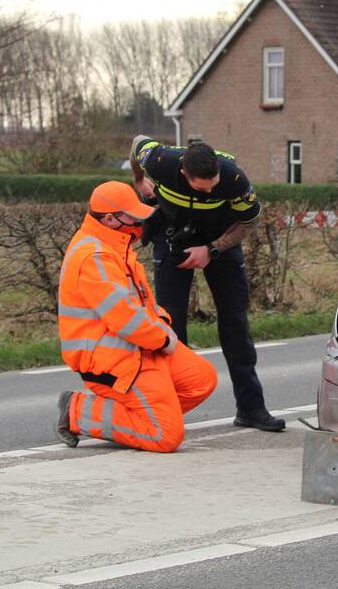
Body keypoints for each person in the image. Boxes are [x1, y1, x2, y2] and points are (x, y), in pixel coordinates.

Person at [129, 136, 285, 432]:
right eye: (203, 188)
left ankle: (251, 408)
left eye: (214, 185)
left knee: (235, 323)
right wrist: (139, 180)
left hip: (220, 242)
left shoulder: (234, 178)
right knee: (170, 326)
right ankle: (170, 412)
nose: (211, 191)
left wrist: (212, 249)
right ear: (184, 174)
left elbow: (249, 222)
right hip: (172, 236)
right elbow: (137, 141)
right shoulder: (161, 161)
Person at [54, 180, 217, 452]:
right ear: (109, 219)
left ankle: (142, 416)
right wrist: (163, 340)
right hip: (116, 359)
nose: (139, 221)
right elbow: (124, 316)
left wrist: (162, 327)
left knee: (201, 381)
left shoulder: (116, 245)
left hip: (140, 345)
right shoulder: (94, 256)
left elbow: (143, 302)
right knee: (166, 437)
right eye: (131, 216)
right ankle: (78, 411)